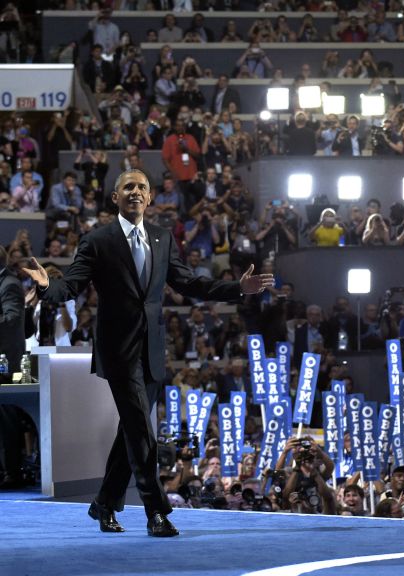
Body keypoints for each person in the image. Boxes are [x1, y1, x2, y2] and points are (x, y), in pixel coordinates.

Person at [22, 169, 275, 537]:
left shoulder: (162, 238)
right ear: (115, 197)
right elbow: (72, 285)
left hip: (153, 351)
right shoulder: (97, 240)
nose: (135, 192)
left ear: (150, 196)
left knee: (133, 431)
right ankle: (156, 511)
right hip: (118, 352)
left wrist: (236, 288)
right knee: (142, 431)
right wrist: (49, 287)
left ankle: (105, 503)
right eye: (128, 187)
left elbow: (189, 282)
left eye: (142, 186)